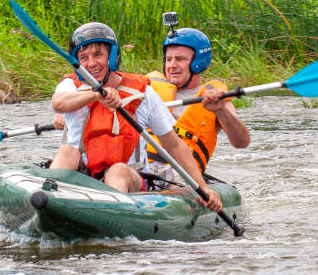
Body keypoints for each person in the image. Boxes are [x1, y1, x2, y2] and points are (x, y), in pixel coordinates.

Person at [49, 22, 223, 212]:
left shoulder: (143, 94)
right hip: (82, 175)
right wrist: (96, 95)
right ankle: (51, 202)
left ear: (112, 57)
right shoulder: (70, 86)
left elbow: (174, 145)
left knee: (118, 171)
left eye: (98, 55)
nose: (91, 63)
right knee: (67, 152)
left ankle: (111, 219)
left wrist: (202, 187)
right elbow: (59, 103)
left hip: (130, 178)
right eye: (83, 57)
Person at [145, 27, 250, 176]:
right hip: (141, 169)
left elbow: (242, 142)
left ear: (198, 62)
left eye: (180, 59)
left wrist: (221, 111)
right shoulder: (148, 89)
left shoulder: (215, 98)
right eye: (169, 59)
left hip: (182, 178)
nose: (172, 65)